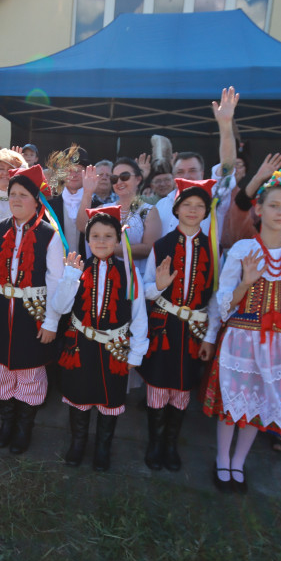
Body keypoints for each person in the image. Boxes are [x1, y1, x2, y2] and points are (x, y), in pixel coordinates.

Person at [202, 168, 281, 493]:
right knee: (233, 403)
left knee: (258, 403)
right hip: (241, 335)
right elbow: (224, 302)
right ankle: (222, 458)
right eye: (274, 205)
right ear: (259, 209)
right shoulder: (241, 250)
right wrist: (246, 284)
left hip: (278, 342)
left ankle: (239, 462)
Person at [0, 164, 64, 455]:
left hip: (32, 313)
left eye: (24, 194)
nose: (16, 199)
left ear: (37, 200)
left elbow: (56, 281)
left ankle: (25, 428)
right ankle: (6, 424)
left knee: (29, 372)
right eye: (13, 194)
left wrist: (51, 322)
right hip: (0, 309)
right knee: (2, 368)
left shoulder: (49, 235)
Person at [52, 206, 148, 471]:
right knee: (79, 395)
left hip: (115, 349)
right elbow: (60, 307)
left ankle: (104, 446)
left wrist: (137, 352)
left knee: (110, 398)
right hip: (80, 345)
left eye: (108, 236)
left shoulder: (130, 273)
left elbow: (139, 316)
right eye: (96, 236)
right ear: (87, 239)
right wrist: (70, 277)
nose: (102, 241)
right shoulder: (76, 268)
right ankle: (78, 442)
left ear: (118, 240)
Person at [139, 178, 218, 472]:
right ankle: (154, 442)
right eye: (187, 205)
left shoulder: (212, 249)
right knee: (159, 383)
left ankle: (171, 444)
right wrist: (159, 287)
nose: (193, 210)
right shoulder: (162, 245)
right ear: (177, 209)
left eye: (200, 206)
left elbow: (214, 298)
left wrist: (209, 337)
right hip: (164, 326)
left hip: (194, 331)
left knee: (182, 386)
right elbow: (146, 288)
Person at [152, 88, 240, 240]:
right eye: (180, 172)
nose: (186, 176)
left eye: (192, 170)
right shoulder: (161, 206)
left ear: (202, 173)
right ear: (173, 176)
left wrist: (225, 124)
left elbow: (227, 167)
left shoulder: (214, 199)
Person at [74, 156, 159, 261]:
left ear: (138, 179)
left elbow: (149, 248)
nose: (119, 182)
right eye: (114, 179)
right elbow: (82, 227)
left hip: (136, 275)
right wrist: (87, 192)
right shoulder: (103, 209)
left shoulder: (149, 211)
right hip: (107, 274)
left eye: (125, 176)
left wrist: (108, 249)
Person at [46, 146, 100, 256]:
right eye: (69, 170)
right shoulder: (49, 207)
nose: (73, 174)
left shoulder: (99, 207)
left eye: (78, 170)